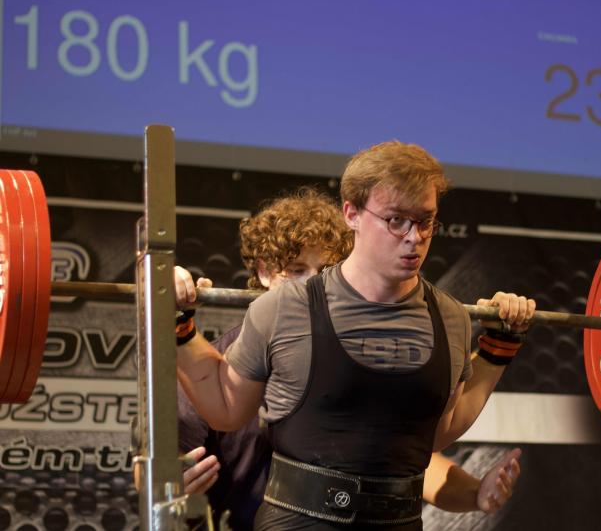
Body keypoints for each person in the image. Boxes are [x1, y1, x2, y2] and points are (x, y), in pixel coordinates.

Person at [175, 142, 535, 530]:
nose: (414, 237)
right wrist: (177, 321)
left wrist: (497, 351)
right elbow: (226, 409)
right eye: (396, 220)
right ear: (352, 214)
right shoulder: (284, 307)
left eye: (425, 221)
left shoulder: (451, 318)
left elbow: (435, 432)